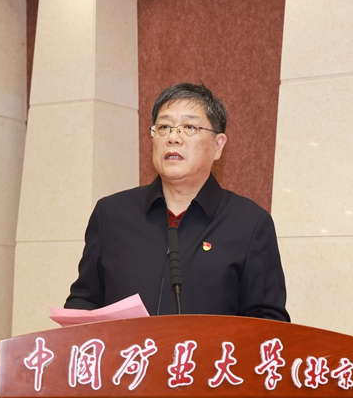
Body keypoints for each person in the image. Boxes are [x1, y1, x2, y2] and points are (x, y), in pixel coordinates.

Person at [65, 82, 290, 322]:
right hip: (125, 348)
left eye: (189, 127)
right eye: (164, 127)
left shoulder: (249, 224)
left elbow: (268, 322)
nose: (173, 137)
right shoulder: (112, 214)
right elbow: (84, 301)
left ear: (218, 145)